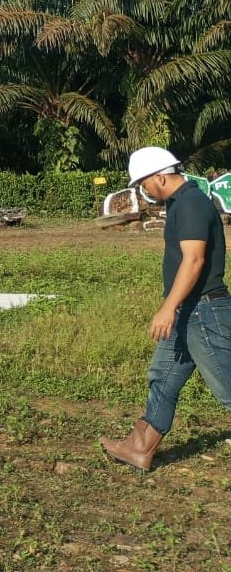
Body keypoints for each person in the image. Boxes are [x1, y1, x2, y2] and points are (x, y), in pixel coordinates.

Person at [100, 146, 231, 471]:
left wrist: (167, 308)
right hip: (188, 310)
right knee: (164, 376)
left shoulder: (190, 203)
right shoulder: (180, 203)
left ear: (160, 176)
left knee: (227, 385)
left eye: (145, 183)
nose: (144, 190)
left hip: (202, 311)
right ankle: (140, 447)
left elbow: (195, 259)